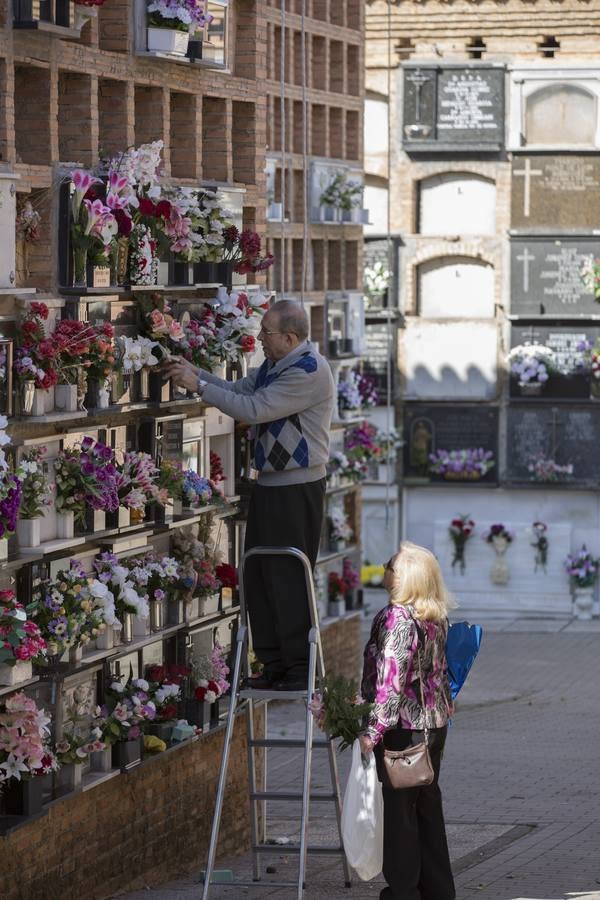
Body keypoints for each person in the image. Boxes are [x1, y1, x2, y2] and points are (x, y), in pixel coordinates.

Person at [166, 299, 336, 690]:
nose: (260, 338)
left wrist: (200, 385)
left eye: (268, 333)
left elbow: (254, 409)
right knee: (258, 575)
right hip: (272, 486)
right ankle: (273, 663)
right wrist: (196, 374)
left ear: (290, 337)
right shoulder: (279, 365)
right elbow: (238, 389)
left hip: (297, 488)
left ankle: (298, 670)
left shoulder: (309, 371)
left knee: (288, 576)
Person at [359, 541, 456, 900]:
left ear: (407, 577)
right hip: (434, 725)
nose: (385, 569)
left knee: (400, 815)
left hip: (403, 729)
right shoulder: (434, 614)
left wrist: (373, 729)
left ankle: (402, 893)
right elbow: (441, 670)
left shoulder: (398, 619)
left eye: (392, 565)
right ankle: (438, 891)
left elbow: (390, 680)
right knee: (427, 807)